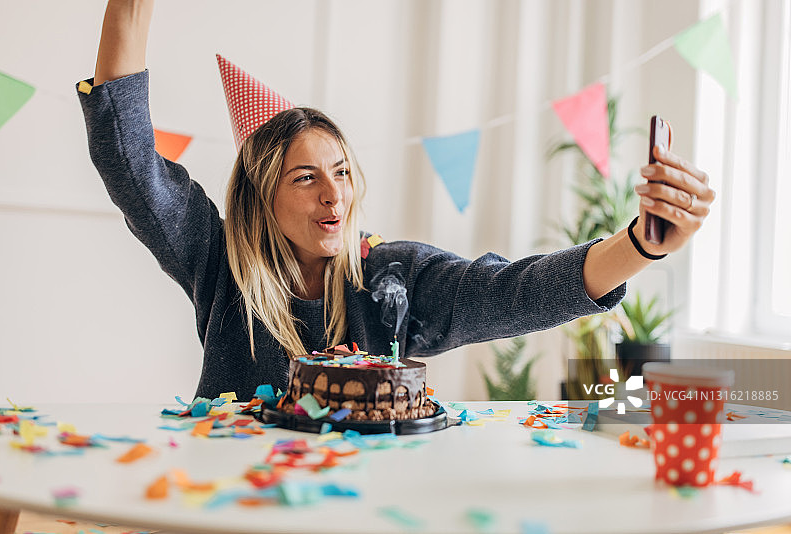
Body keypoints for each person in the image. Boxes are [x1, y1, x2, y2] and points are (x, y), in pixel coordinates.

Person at [79, 0, 715, 402]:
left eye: (342, 172)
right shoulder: (221, 264)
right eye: (305, 178)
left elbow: (513, 293)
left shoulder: (392, 280)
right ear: (262, 197)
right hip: (223, 506)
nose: (335, 195)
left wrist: (640, 244)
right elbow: (129, 161)